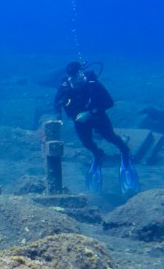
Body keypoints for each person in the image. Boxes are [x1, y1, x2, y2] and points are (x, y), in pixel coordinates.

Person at [54, 61, 139, 196]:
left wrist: (90, 113)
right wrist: (59, 116)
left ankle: (124, 150)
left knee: (110, 137)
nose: (76, 81)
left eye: (78, 77)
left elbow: (109, 102)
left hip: (98, 117)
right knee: (86, 143)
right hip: (79, 121)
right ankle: (98, 154)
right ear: (69, 78)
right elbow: (57, 102)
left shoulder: (93, 84)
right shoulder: (65, 87)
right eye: (72, 78)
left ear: (81, 74)